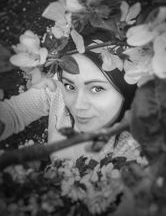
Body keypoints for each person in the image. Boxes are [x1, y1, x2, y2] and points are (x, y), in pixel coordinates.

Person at [0, 29, 142, 162]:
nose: (77, 105)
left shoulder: (132, 152)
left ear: (126, 90)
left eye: (97, 89)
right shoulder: (58, 89)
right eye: (70, 86)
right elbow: (14, 113)